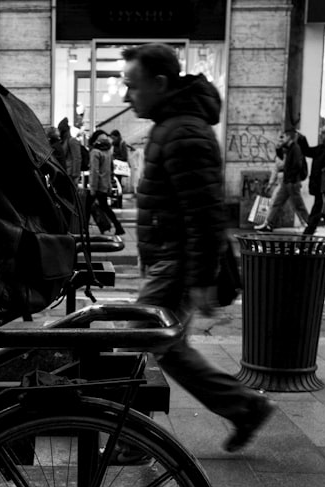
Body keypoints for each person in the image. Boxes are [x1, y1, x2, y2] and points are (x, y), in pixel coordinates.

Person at [121, 42, 273, 457]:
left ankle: (132, 439)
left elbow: (204, 214)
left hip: (177, 263)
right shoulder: (174, 126)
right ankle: (246, 407)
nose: (126, 96)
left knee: (139, 343)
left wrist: (201, 279)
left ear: (160, 82)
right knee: (168, 349)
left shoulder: (184, 130)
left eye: (132, 86)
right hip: (169, 259)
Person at [257, 125, 310, 232]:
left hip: (292, 182)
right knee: (277, 202)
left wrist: (290, 176)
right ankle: (268, 224)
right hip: (287, 182)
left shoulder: (295, 149)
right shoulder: (290, 149)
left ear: (289, 138)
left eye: (284, 137)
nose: (283, 139)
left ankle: (310, 225)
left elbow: (297, 165)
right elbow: (282, 158)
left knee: (299, 205)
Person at [88, 130, 125, 236]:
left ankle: (83, 229)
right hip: (104, 185)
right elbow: (110, 170)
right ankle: (117, 227)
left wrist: (93, 188)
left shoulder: (95, 152)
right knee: (104, 207)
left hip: (97, 186)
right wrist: (109, 185)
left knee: (87, 207)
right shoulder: (108, 151)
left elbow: (94, 171)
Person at [302, 126, 325, 235]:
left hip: (324, 185)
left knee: (318, 209)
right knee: (324, 211)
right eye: (321, 134)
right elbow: (307, 151)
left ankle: (309, 231)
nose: (321, 136)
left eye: (323, 134)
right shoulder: (321, 148)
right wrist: (302, 138)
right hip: (318, 184)